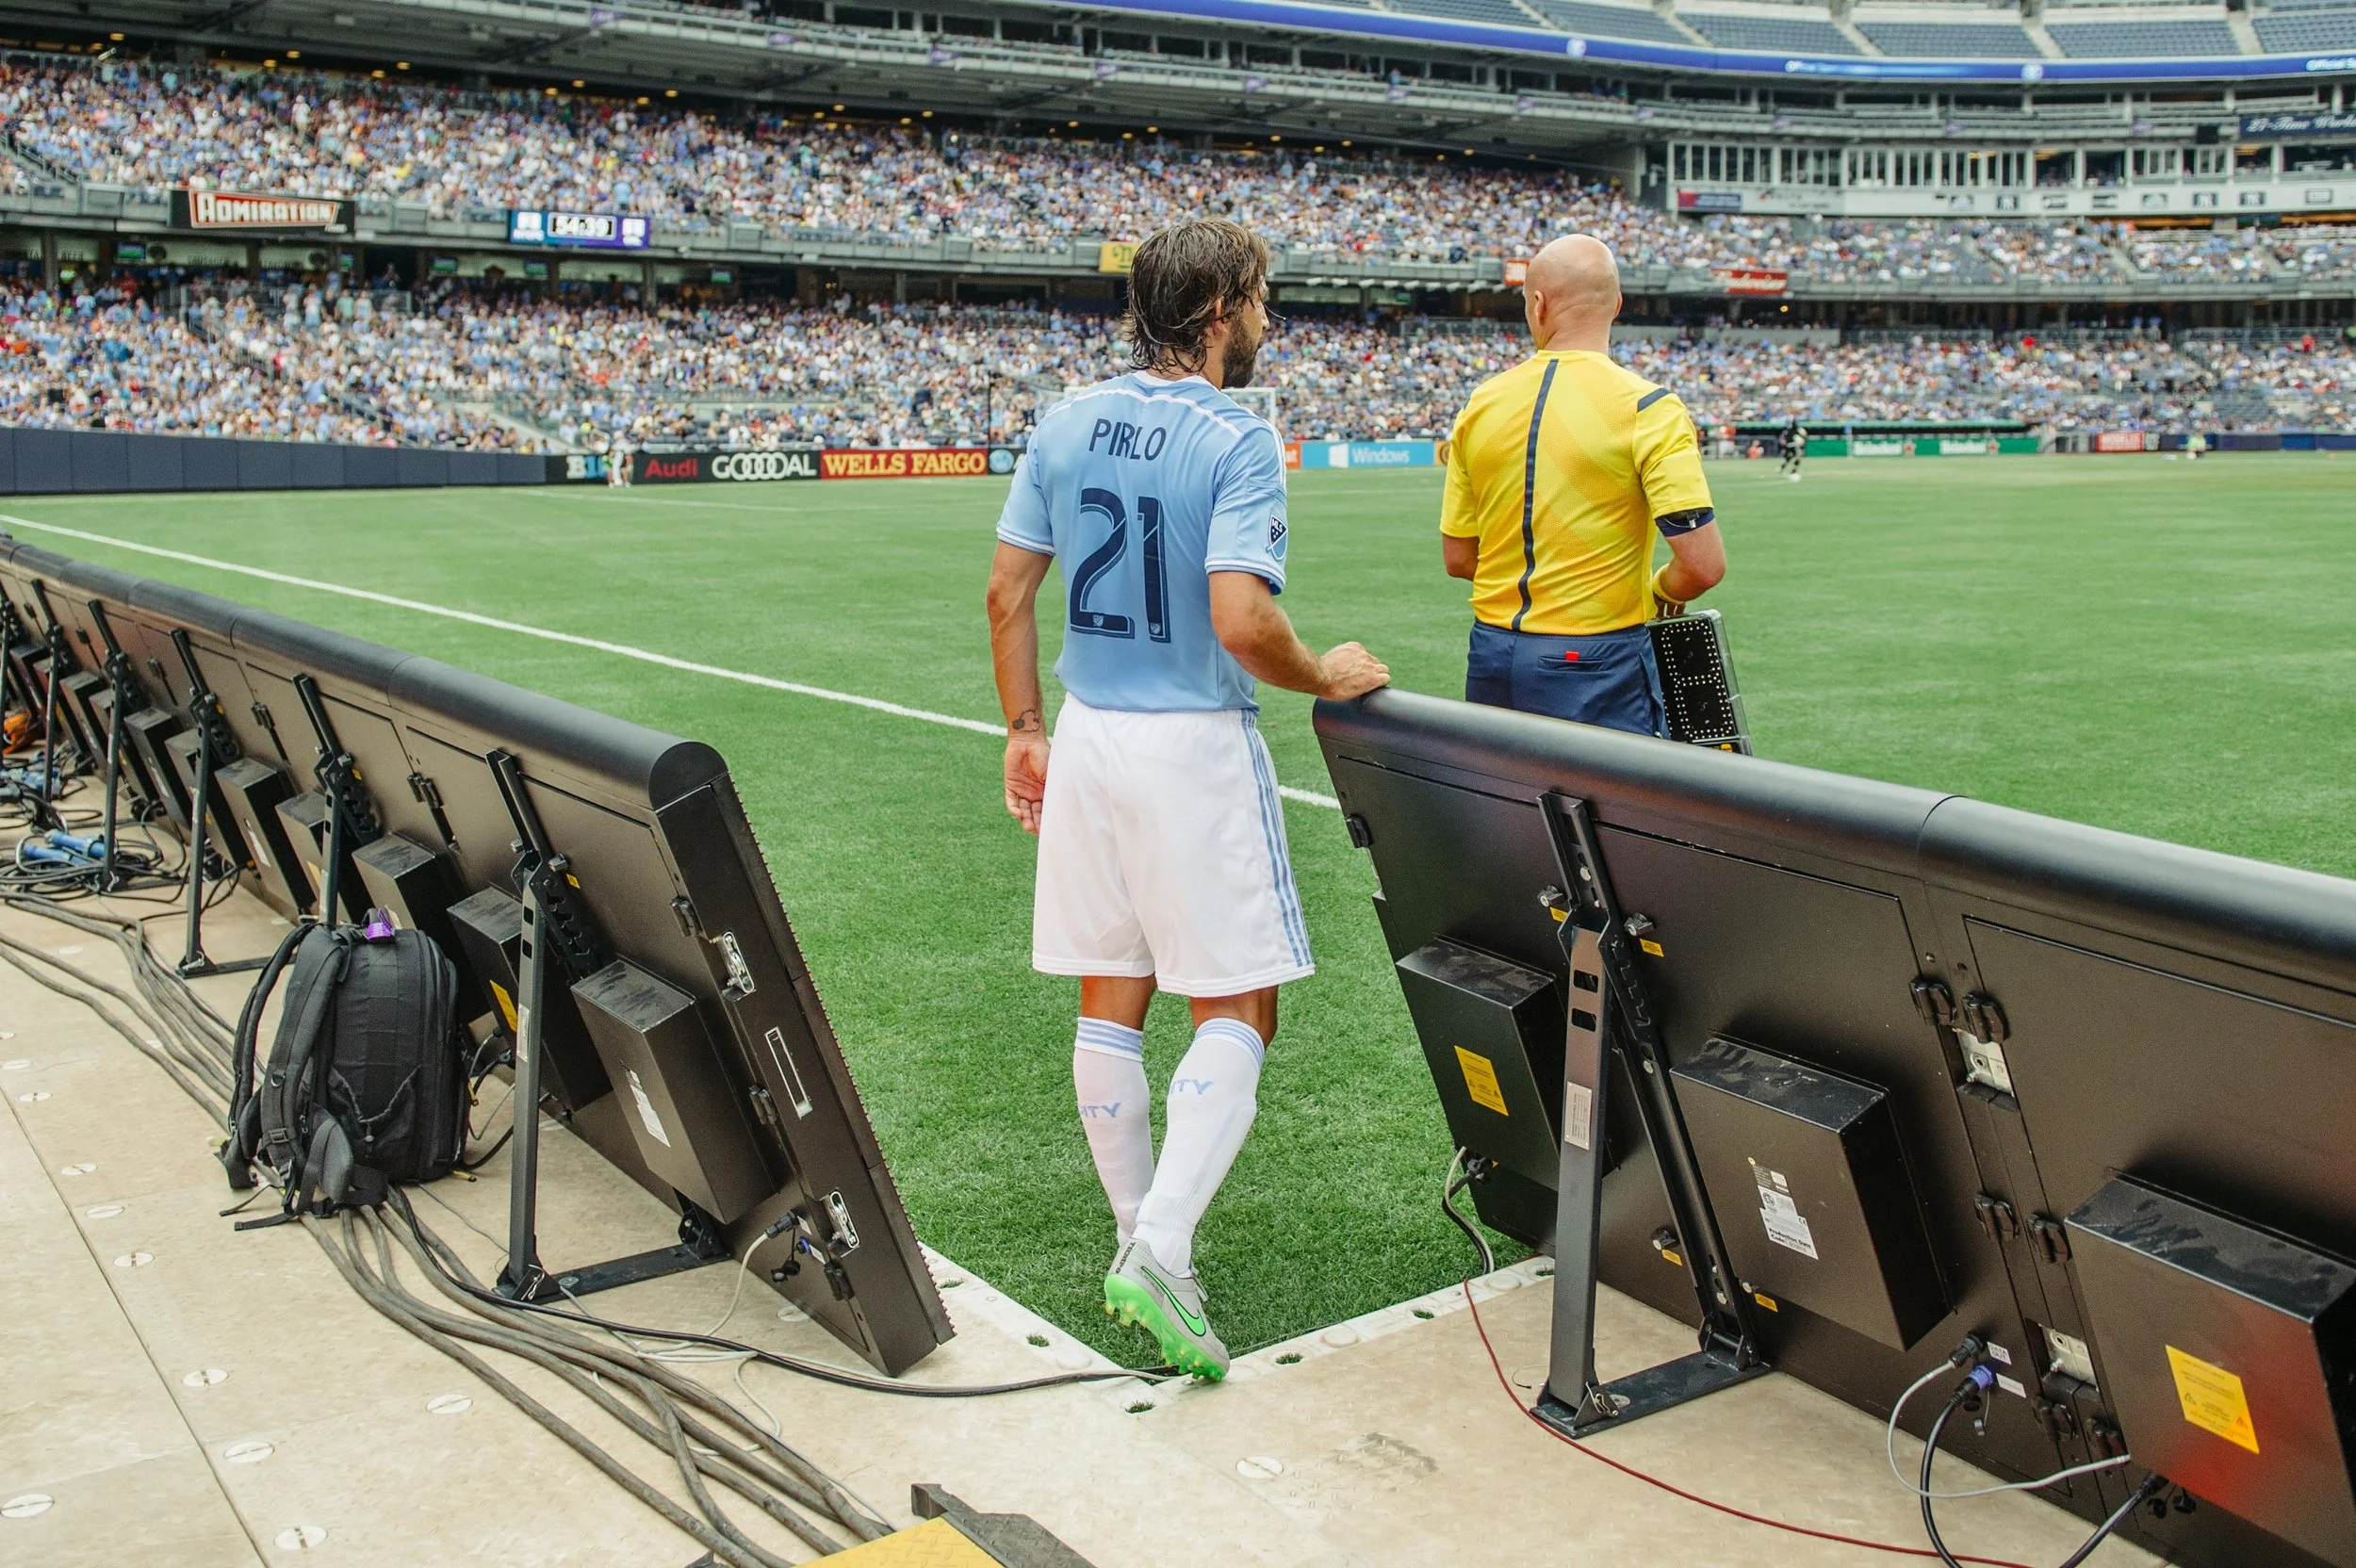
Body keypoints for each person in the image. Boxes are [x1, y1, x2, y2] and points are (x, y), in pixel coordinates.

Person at [983, 219, 1389, 1380]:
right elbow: (1242, 622)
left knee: (1112, 996)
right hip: (1189, 745)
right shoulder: (1236, 437)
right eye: (1260, 298)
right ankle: (1160, 1247)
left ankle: (1135, 1234)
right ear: (1217, 308)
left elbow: (1008, 594)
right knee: (1239, 1005)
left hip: (1089, 735)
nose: (1268, 320)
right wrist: (1328, 672)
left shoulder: (1063, 419)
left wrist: (1023, 732)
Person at [1437, 234, 1726, 735]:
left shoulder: (1481, 404)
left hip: (1493, 654)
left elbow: (1460, 558)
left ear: (1537, 303)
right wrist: (1657, 593)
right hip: (1597, 657)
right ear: (1616, 305)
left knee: (1504, 806)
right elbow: (1702, 566)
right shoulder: (1648, 408)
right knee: (1610, 811)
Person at [1780, 415, 1808, 481]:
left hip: (1794, 445)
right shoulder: (1789, 430)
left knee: (1796, 457)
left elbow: (1803, 435)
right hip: (1791, 445)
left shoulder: (1796, 429)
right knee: (1792, 457)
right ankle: (1786, 469)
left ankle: (1791, 470)